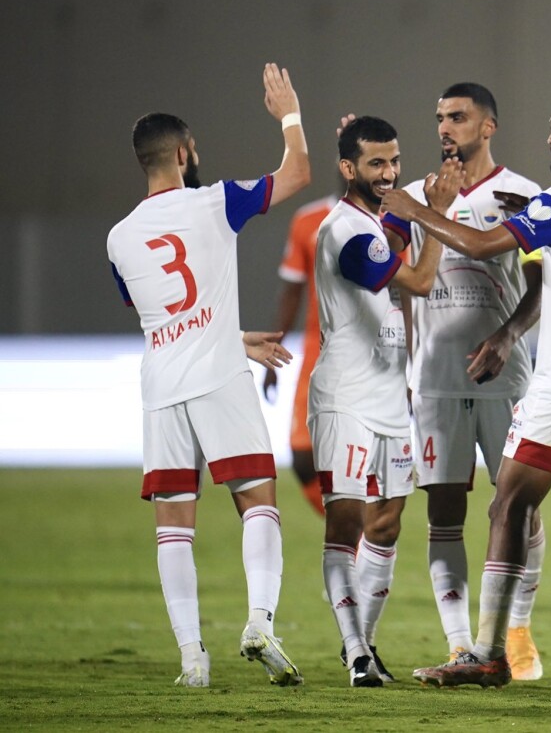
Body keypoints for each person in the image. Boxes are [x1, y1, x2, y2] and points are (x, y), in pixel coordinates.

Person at [389, 83, 551, 690]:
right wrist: (525, 217)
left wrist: (418, 211)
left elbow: (482, 245)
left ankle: (487, 652)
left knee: (508, 504)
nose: (549, 137)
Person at [105, 63, 311, 688]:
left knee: (173, 526)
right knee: (257, 501)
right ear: (183, 152)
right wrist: (289, 113)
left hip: (162, 388)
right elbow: (297, 173)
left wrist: (235, 334)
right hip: (219, 378)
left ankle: (192, 660)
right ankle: (260, 623)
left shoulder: (119, 239)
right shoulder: (214, 200)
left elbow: (159, 317)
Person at [400, 83, 547, 680]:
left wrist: (508, 335)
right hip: (436, 377)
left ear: (488, 127)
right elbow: (402, 286)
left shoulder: (522, 196)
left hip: (504, 377)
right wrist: (405, 365)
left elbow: (541, 288)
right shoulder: (414, 198)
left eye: (458, 117)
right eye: (439, 117)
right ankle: (462, 644)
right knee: (443, 510)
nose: (445, 127)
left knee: (519, 505)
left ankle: (515, 632)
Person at [309, 115, 461, 687]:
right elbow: (418, 282)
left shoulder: (374, 224)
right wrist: (435, 215)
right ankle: (354, 653)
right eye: (375, 163)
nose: (390, 172)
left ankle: (366, 646)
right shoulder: (345, 231)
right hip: (346, 398)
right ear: (347, 169)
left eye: (394, 160)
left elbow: (397, 299)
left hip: (390, 398)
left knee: (389, 523)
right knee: (345, 523)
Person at [262, 192, 337, 516]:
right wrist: (273, 352)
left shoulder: (392, 220)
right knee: (304, 458)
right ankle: (354, 534)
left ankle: (363, 537)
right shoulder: (309, 219)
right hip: (317, 356)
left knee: (367, 463)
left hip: (373, 357)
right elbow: (292, 291)